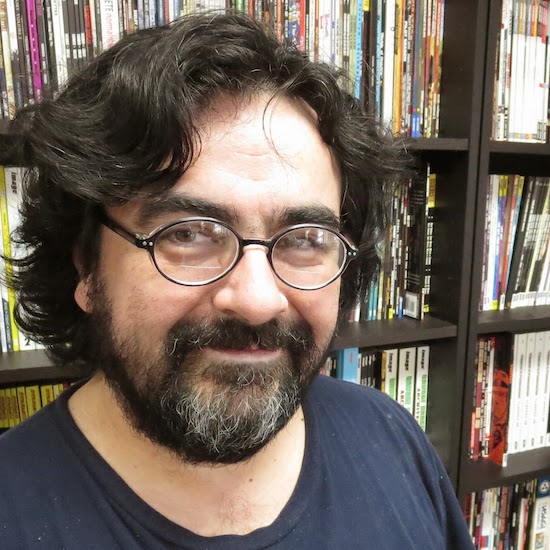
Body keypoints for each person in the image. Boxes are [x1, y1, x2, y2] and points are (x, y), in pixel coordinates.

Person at [0, 12, 473, 549]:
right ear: (86, 265)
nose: (256, 301)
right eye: (189, 234)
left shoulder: (392, 437)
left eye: (305, 238)